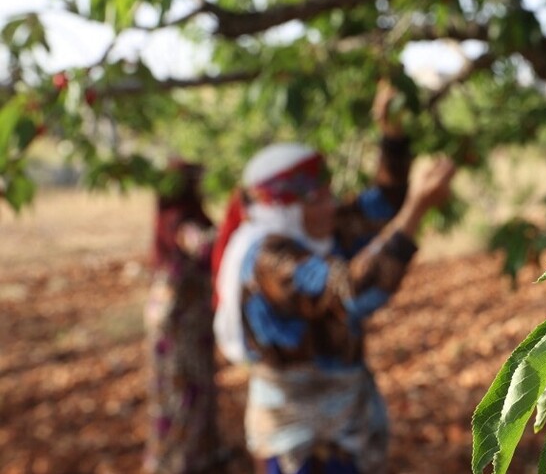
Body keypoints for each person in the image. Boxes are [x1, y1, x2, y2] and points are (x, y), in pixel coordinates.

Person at [212, 86, 456, 474]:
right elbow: (351, 295)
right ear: (286, 207)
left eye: (329, 195)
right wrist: (415, 212)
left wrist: (391, 136)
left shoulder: (310, 230)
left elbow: (380, 205)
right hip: (301, 433)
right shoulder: (269, 261)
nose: (332, 207)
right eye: (318, 200)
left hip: (337, 421)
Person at [144, 161, 220, 473]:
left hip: (175, 318)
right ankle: (182, 463)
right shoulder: (182, 221)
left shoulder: (171, 217)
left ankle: (187, 459)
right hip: (181, 324)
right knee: (185, 394)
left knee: (180, 392)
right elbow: (203, 244)